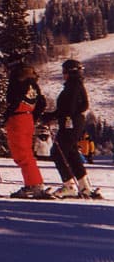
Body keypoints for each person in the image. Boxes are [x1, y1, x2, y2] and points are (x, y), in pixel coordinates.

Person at [48, 59, 98, 198]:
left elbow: (68, 108)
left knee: (58, 153)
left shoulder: (73, 86)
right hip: (75, 122)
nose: (63, 74)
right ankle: (84, 187)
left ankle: (69, 186)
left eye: (64, 71)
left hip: (70, 123)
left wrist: (53, 116)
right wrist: (52, 115)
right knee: (71, 153)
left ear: (71, 72)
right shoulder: (76, 85)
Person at [4, 62, 48, 198]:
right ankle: (35, 182)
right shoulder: (33, 84)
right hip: (28, 118)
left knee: (21, 153)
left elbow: (13, 101)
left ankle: (33, 185)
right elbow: (42, 103)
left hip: (17, 119)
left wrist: (6, 115)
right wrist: (33, 117)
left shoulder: (17, 82)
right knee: (27, 153)